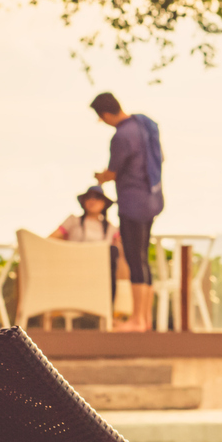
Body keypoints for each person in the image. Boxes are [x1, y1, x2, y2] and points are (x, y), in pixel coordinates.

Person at [90, 92, 165, 332]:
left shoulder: (122, 135)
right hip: (152, 198)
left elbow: (113, 172)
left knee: (134, 258)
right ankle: (144, 319)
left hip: (133, 203)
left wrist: (101, 178)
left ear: (105, 114)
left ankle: (136, 320)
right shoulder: (144, 124)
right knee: (142, 258)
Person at [49, 185, 124, 302]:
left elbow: (124, 246)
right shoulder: (73, 220)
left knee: (113, 251)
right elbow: (51, 239)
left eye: (97, 198)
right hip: (74, 266)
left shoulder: (111, 228)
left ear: (104, 203)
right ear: (84, 202)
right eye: (89, 197)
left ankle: (108, 308)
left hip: (99, 272)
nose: (92, 201)